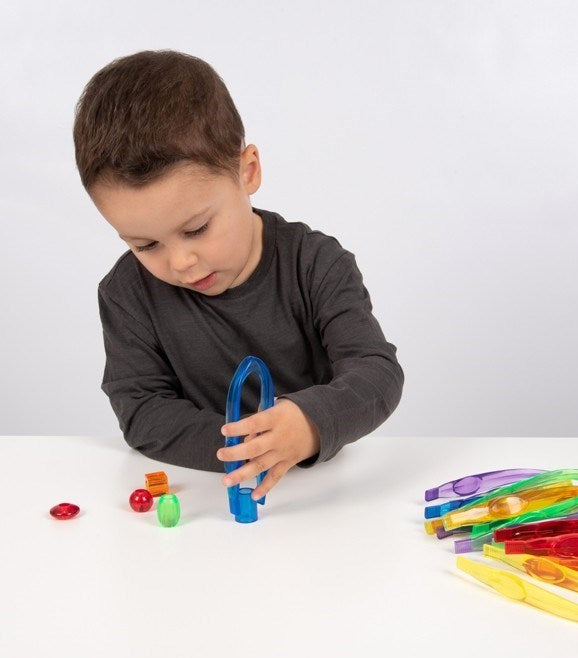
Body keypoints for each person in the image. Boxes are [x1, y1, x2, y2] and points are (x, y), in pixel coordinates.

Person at [73, 50, 404, 500]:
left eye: (196, 229)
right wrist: (250, 446)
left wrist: (306, 424)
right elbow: (142, 410)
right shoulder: (127, 293)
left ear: (247, 172)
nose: (180, 262)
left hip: (323, 494)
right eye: (145, 245)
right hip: (210, 493)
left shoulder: (316, 263)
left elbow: (376, 373)